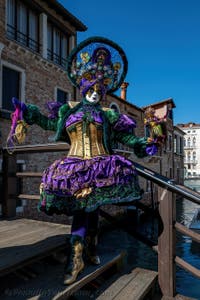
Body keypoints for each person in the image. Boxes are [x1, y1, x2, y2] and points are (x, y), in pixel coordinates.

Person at [7, 37, 159, 285]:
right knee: (81, 208)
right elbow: (49, 124)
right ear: (83, 87)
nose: (95, 93)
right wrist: (29, 114)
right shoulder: (68, 111)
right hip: (75, 166)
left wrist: (141, 144)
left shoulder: (108, 114)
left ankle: (90, 248)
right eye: (91, 89)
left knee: (93, 207)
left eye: (99, 90)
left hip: (101, 165)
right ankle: (76, 256)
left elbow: (123, 136)